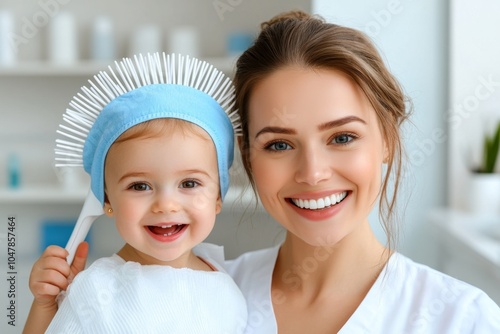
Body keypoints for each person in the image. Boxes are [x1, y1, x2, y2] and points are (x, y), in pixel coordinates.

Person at [26, 11, 500, 333]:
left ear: (388, 142)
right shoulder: (198, 296)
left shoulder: (462, 319)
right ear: (248, 161)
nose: (313, 173)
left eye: (342, 137)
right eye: (278, 144)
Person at [22, 52, 247, 333]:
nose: (166, 204)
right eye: (140, 186)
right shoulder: (97, 290)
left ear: (217, 197)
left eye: (189, 184)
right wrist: (45, 305)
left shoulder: (226, 286)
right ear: (106, 200)